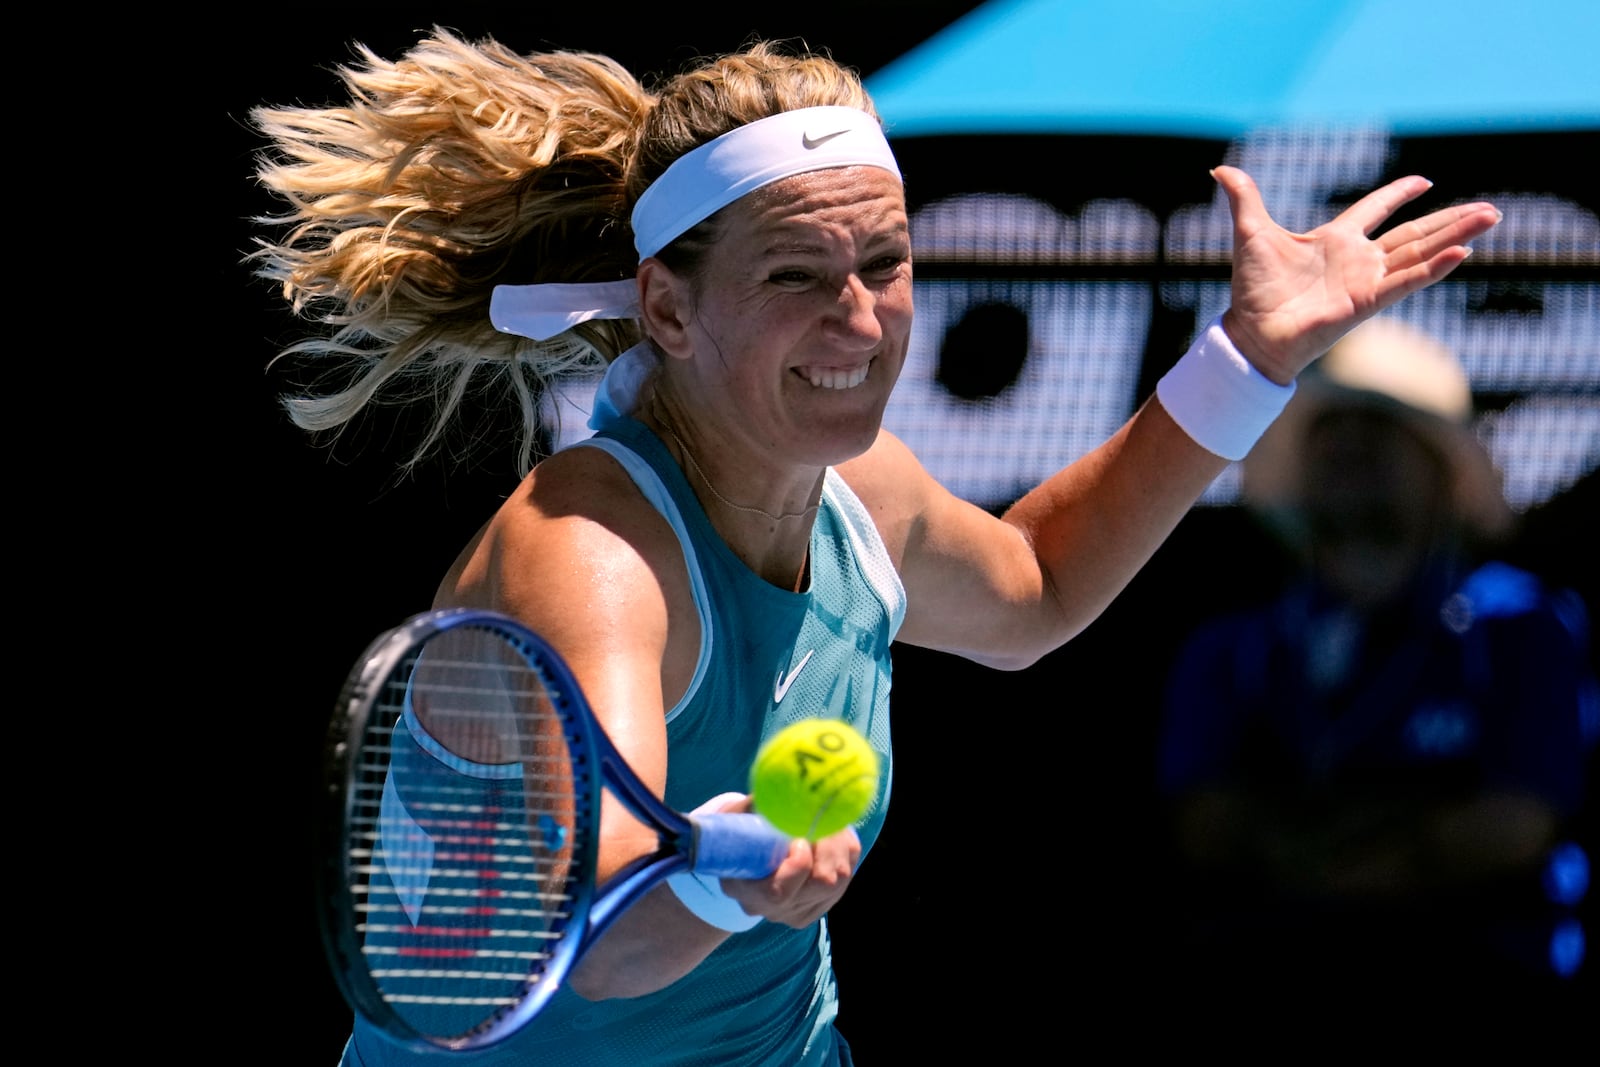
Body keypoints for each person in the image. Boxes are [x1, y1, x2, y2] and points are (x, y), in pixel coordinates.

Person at [247, 28, 1501, 1065]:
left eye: (884, 262)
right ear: (668, 308)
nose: (859, 317)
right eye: (796, 273)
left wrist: (1249, 359)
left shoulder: (863, 487)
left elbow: (1035, 588)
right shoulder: (590, 554)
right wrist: (716, 874)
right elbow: (601, 920)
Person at [1153, 317, 1596, 1002]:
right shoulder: (1230, 652)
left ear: (1446, 477)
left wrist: (1360, 865)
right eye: (1331, 435)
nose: (1351, 454)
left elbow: (1518, 823)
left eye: (1381, 433)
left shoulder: (1523, 629)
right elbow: (1204, 823)